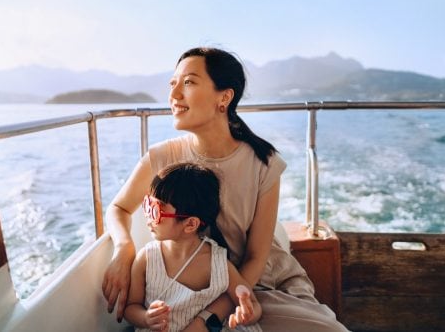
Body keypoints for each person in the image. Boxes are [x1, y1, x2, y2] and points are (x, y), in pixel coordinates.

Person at [103, 46, 350, 331]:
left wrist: (209, 316)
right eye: (173, 84)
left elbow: (257, 257)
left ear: (225, 97)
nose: (173, 96)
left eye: (189, 82)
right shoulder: (162, 158)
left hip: (255, 288)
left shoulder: (264, 164)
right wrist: (123, 250)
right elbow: (119, 208)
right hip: (187, 293)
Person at [124, 162, 261, 331]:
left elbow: (253, 304)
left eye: (156, 210)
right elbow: (131, 307)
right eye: (147, 204)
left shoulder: (218, 264)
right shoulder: (146, 258)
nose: (148, 216)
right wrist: (145, 318)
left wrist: (246, 314)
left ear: (190, 224)